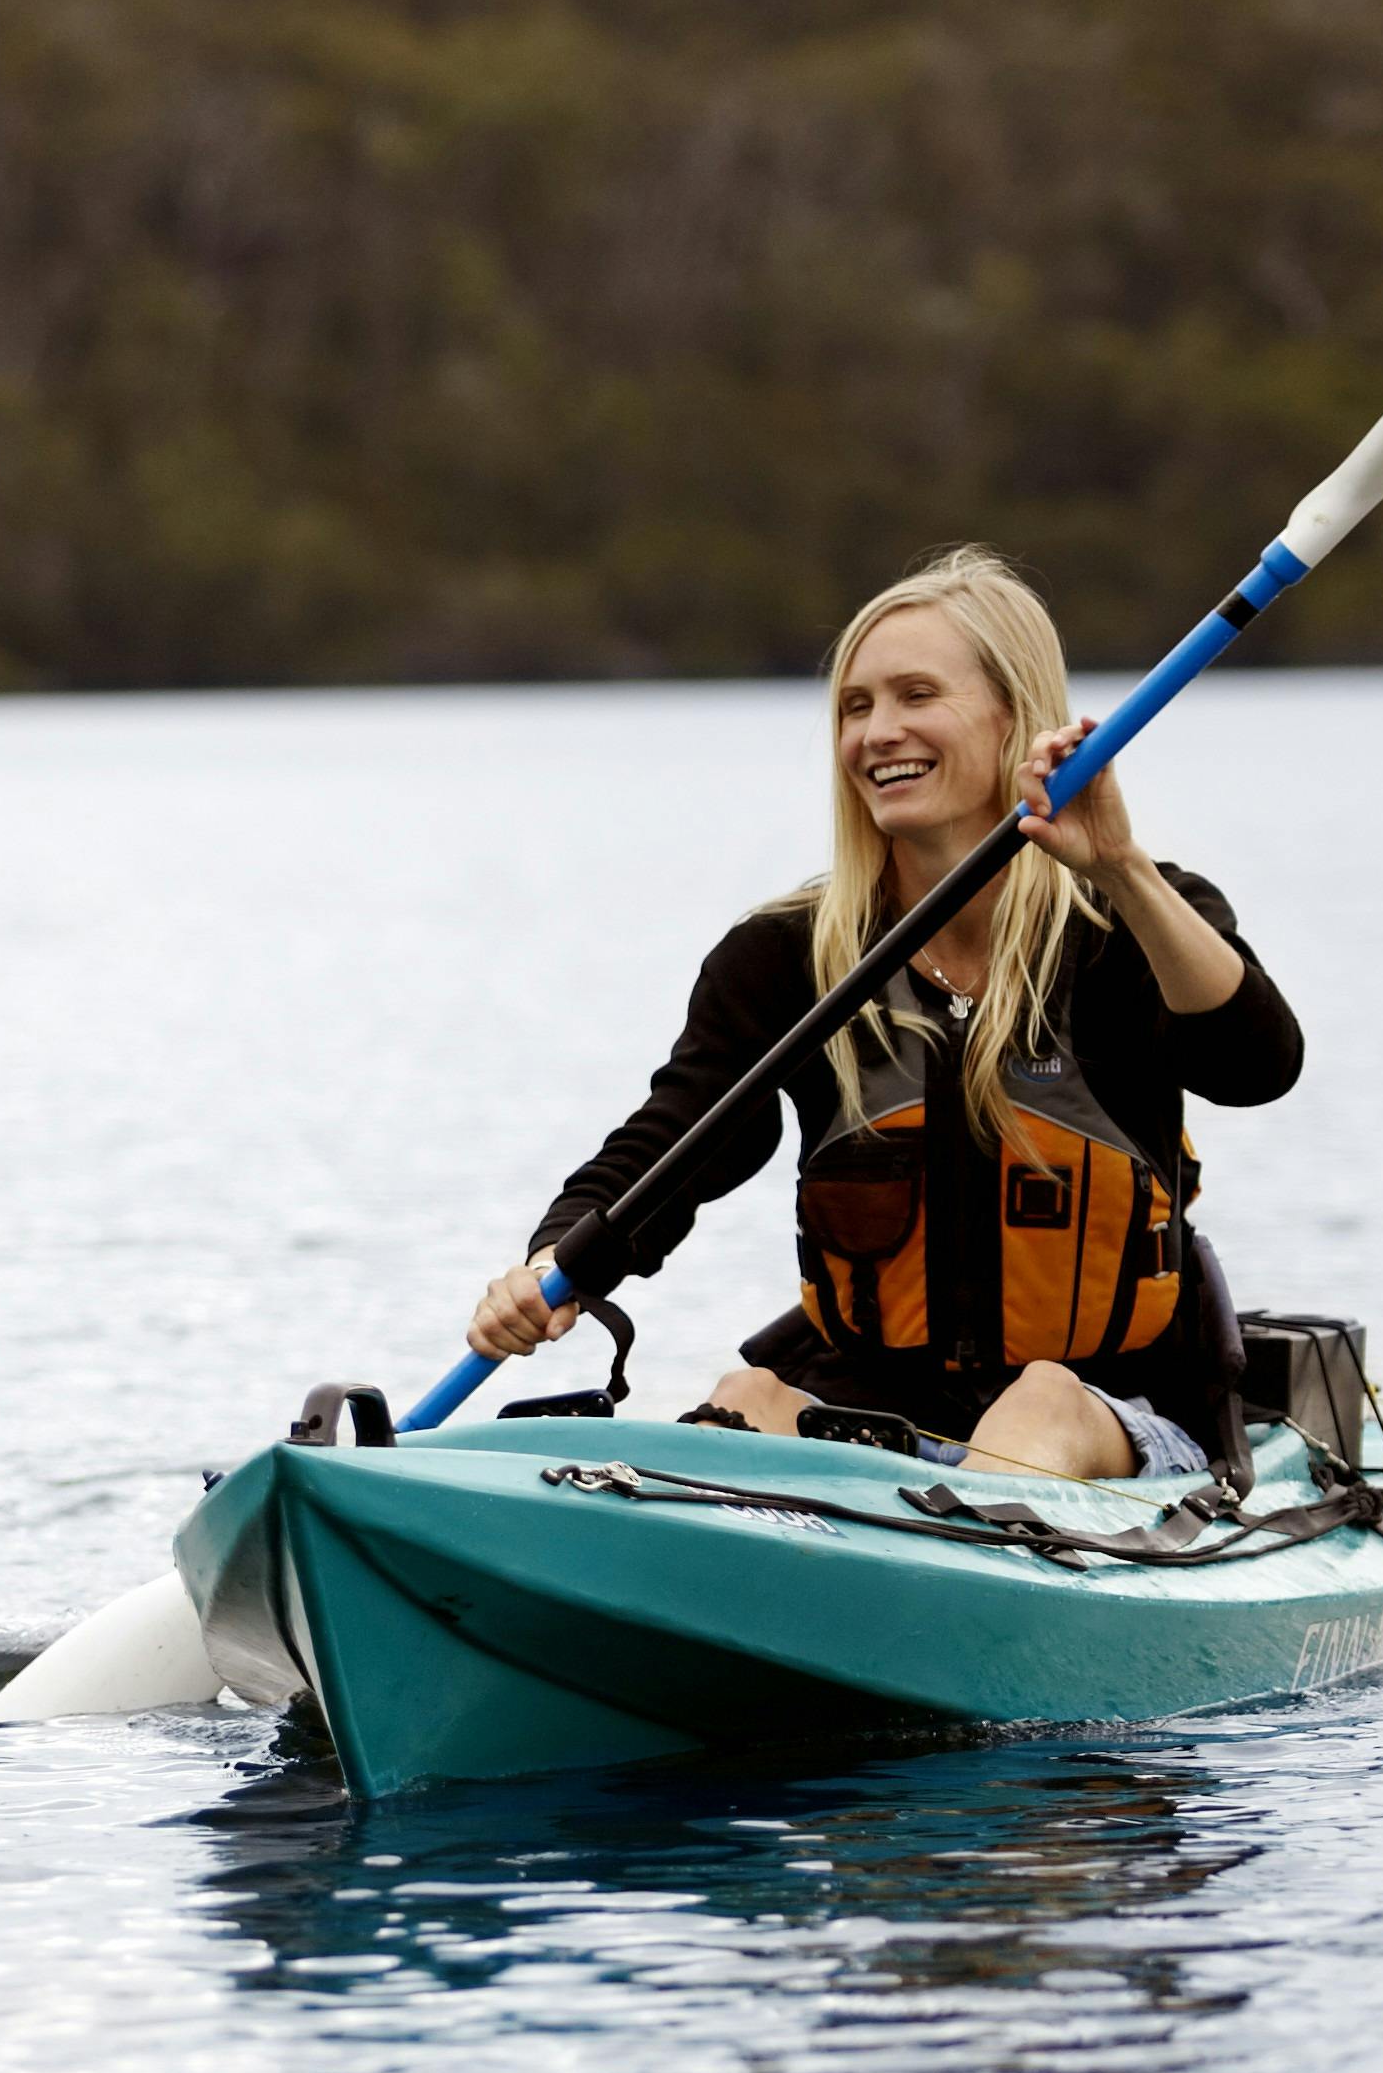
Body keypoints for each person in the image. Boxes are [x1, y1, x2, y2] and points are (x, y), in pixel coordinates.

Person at [464, 544, 1298, 1484]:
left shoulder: (1131, 922)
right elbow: (676, 1142)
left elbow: (1255, 1065)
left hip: (1121, 1421)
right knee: (745, 1398)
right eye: (855, 708)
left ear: (1011, 716)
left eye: (915, 696)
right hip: (870, 1415)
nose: (875, 733)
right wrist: (550, 1261)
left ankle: (967, 1561)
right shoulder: (787, 956)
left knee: (1039, 1407)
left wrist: (1120, 867)